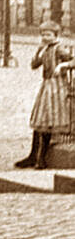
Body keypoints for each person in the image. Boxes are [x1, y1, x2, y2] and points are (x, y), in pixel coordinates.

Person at [16, 20, 74, 169]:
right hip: (46, 86)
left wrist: (63, 65)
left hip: (57, 87)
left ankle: (41, 158)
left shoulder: (59, 48)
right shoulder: (46, 49)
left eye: (48, 34)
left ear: (55, 35)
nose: (45, 37)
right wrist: (38, 52)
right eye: (43, 34)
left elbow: (73, 61)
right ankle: (33, 155)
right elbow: (34, 65)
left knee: (47, 121)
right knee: (39, 121)